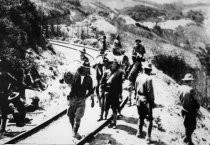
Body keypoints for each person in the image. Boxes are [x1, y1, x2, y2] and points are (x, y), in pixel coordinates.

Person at [66, 61, 94, 140]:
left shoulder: (89, 79)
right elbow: (67, 81)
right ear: (81, 67)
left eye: (87, 68)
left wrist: (92, 99)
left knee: (78, 116)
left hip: (81, 100)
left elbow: (91, 90)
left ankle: (75, 132)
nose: (86, 69)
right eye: (84, 68)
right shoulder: (74, 75)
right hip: (72, 98)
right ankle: (73, 130)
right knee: (70, 115)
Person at [100, 59, 124, 128]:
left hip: (115, 93)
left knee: (114, 108)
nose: (113, 66)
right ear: (110, 65)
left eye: (115, 65)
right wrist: (102, 89)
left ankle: (114, 122)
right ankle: (106, 118)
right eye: (113, 64)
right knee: (106, 106)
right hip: (107, 92)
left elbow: (120, 84)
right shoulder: (106, 72)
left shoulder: (119, 73)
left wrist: (120, 93)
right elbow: (102, 81)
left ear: (117, 66)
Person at [135, 62, 154, 142]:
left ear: (144, 69)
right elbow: (150, 92)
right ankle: (148, 137)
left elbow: (135, 88)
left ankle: (139, 132)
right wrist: (152, 101)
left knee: (141, 116)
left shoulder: (138, 77)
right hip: (146, 99)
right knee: (149, 118)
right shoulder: (149, 78)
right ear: (149, 70)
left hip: (138, 98)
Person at [179, 73, 200, 145]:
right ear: (189, 81)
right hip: (190, 111)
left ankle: (187, 138)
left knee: (187, 126)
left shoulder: (180, 88)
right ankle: (188, 141)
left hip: (183, 109)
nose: (192, 82)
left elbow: (179, 98)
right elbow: (197, 99)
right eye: (191, 81)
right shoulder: (191, 90)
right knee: (192, 126)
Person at [127, 39, 146, 106]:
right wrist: (134, 56)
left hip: (139, 62)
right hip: (134, 61)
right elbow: (132, 55)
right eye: (136, 42)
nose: (137, 43)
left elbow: (143, 57)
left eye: (138, 42)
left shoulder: (142, 47)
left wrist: (140, 56)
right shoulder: (134, 47)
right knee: (129, 69)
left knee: (142, 74)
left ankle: (137, 98)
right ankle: (129, 100)